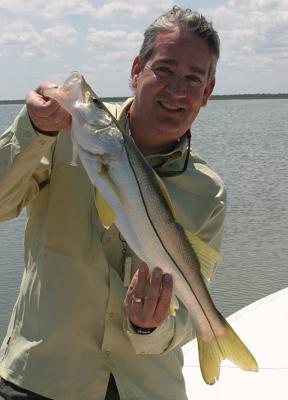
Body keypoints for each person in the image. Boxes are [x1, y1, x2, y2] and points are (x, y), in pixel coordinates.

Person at [0, 6, 226, 400]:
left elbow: (188, 315)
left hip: (148, 388)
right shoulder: (63, 134)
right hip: (42, 378)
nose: (177, 90)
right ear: (137, 69)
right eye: (165, 70)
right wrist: (31, 129)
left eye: (193, 78)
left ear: (207, 92)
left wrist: (151, 327)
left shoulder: (208, 191)